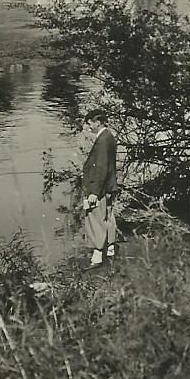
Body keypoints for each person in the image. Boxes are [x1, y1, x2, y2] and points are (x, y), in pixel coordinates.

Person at [81, 108, 118, 268]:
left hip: (99, 188)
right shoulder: (108, 136)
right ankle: (110, 250)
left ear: (98, 122)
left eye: (90, 124)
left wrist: (94, 193)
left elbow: (101, 167)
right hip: (108, 186)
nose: (89, 127)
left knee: (94, 219)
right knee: (107, 216)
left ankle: (97, 256)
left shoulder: (102, 140)